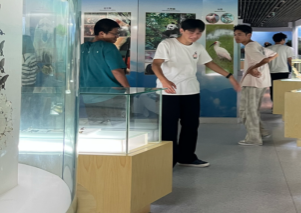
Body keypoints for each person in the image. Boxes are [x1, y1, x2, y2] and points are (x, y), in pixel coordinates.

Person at [152, 19, 241, 168]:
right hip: (169, 92)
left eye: (199, 33)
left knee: (191, 125)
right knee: (168, 126)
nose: (195, 36)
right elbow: (156, 64)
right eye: (191, 32)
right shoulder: (167, 44)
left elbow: (209, 63)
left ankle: (187, 157)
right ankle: (168, 159)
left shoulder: (198, 47)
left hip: (191, 91)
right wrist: (164, 80)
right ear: (182, 30)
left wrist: (230, 76)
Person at [80, 18, 130, 127]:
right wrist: (128, 89)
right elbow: (117, 71)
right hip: (112, 95)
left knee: (97, 128)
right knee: (119, 127)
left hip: (89, 97)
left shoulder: (81, 48)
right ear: (101, 33)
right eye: (114, 34)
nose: (117, 37)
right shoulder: (108, 47)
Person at [234, 25, 278, 146]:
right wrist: (254, 67)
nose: (236, 37)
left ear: (249, 35)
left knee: (248, 111)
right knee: (251, 110)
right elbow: (274, 54)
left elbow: (264, 60)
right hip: (260, 82)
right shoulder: (256, 44)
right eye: (235, 34)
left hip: (253, 82)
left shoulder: (250, 47)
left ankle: (253, 139)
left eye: (239, 34)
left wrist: (253, 68)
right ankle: (262, 132)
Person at [268, 33, 294, 103]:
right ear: (282, 40)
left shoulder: (268, 48)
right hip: (283, 71)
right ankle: (281, 104)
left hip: (271, 71)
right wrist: (294, 69)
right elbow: (290, 60)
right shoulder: (287, 48)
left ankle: (274, 104)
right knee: (283, 88)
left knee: (273, 88)